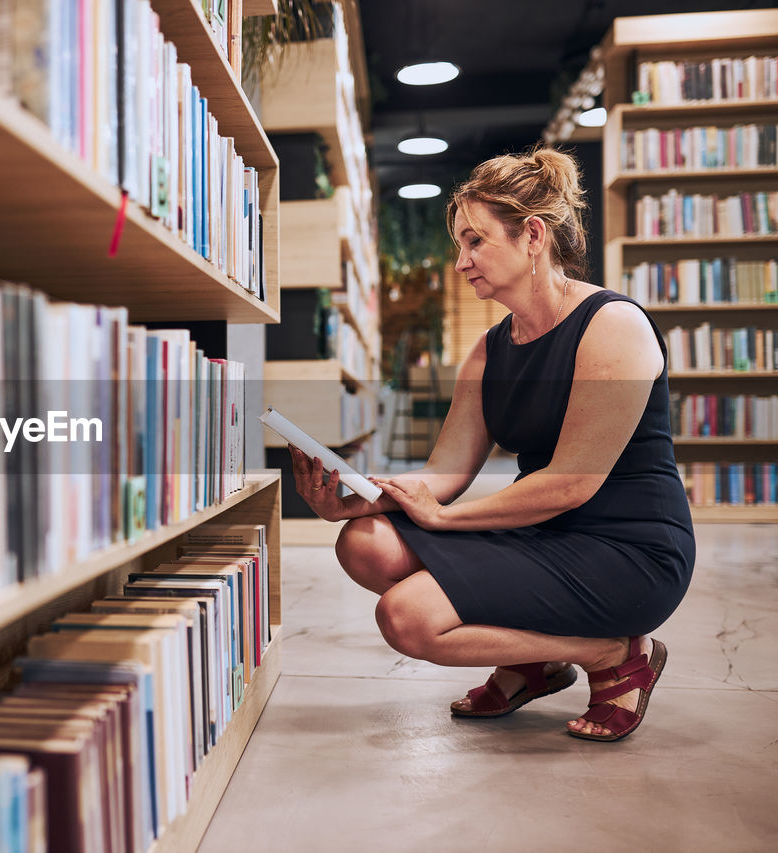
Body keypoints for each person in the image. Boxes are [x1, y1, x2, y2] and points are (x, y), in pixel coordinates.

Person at [290, 146, 694, 742]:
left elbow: (570, 484)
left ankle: (611, 653)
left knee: (407, 619)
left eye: (475, 242)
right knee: (366, 542)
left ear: (533, 235)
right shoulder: (489, 351)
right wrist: (365, 497)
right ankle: (534, 659)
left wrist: (448, 522)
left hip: (625, 550)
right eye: (461, 244)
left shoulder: (613, 326)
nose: (461, 262)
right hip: (546, 533)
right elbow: (446, 471)